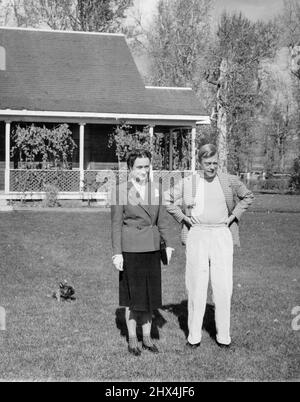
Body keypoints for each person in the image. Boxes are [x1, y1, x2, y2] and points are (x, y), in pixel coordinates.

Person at [165, 144, 254, 349]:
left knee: (223, 287)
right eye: (207, 163)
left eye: (214, 163)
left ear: (218, 162)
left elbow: (247, 196)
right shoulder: (190, 182)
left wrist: (233, 216)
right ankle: (194, 337)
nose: (211, 167)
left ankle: (223, 337)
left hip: (222, 234)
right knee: (196, 285)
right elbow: (167, 199)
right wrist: (184, 218)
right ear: (200, 163)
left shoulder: (228, 180)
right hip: (197, 234)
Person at [111, 150, 174, 356]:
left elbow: (163, 220)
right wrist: (117, 253)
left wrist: (168, 245)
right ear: (130, 169)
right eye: (139, 166)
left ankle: (147, 338)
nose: (144, 170)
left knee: (149, 296)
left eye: (147, 166)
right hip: (131, 249)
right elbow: (115, 225)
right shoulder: (121, 191)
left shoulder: (157, 189)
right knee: (133, 297)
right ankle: (132, 339)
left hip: (152, 248)